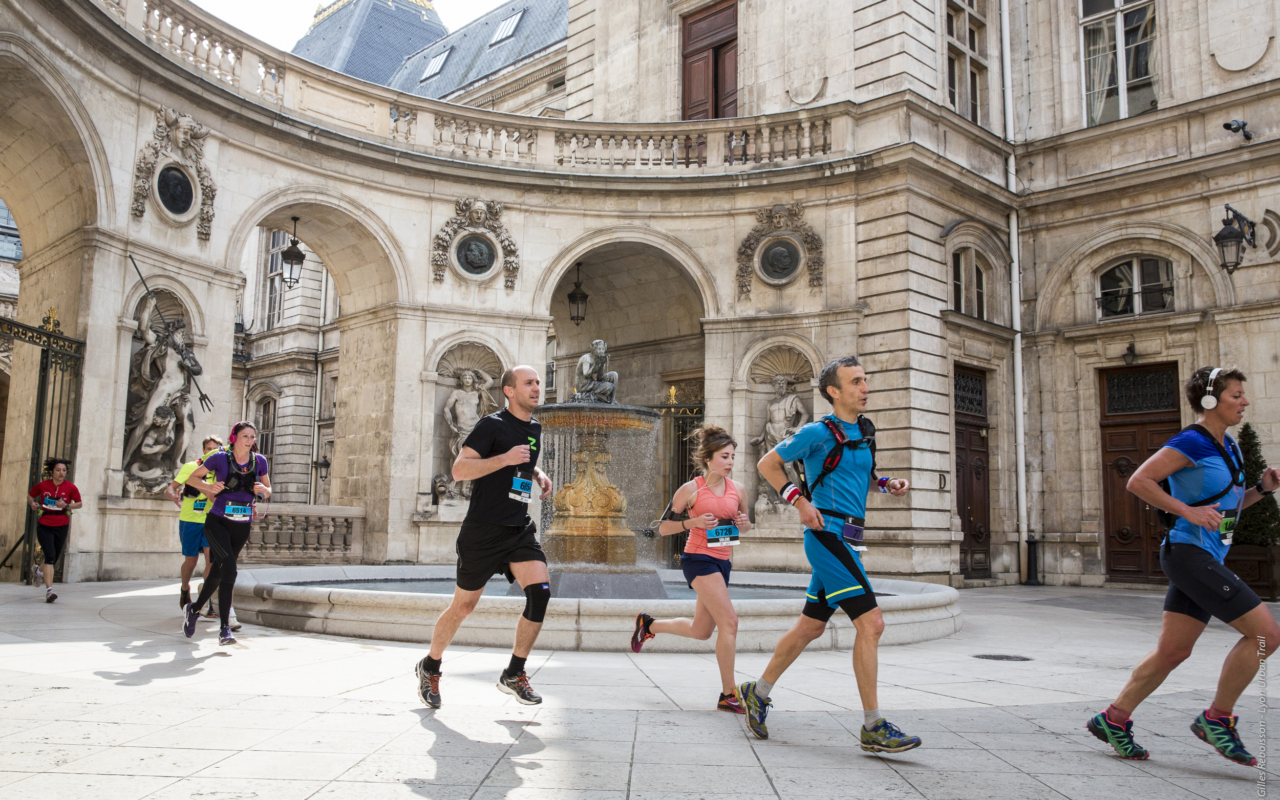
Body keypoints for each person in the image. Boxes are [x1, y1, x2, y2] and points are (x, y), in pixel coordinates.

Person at [1088, 366, 1280, 766]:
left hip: (1204, 556)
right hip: (1188, 554)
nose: (1244, 402)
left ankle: (1113, 718)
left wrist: (1261, 490)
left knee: (1173, 651)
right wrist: (1186, 513)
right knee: (1266, 634)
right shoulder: (1190, 441)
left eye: (1243, 395)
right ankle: (1218, 719)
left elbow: (1225, 508)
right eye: (1236, 395)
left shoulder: (1229, 445)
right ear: (1210, 400)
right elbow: (1139, 481)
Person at [738, 355, 919, 753]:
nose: (865, 387)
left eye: (865, 380)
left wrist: (888, 484)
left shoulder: (865, 430)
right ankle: (873, 725)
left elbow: (863, 475)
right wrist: (799, 502)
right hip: (826, 536)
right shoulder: (816, 431)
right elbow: (768, 463)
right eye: (856, 382)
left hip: (851, 538)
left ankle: (757, 691)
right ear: (833, 392)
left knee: (811, 627)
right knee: (872, 624)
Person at [415, 365, 554, 709]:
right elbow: (460, 470)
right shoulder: (490, 424)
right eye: (529, 383)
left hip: (518, 528)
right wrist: (504, 458)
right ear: (509, 391)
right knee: (463, 606)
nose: (537, 388)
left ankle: (514, 673)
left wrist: (536, 472)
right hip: (483, 530)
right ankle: (430, 665)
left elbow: (520, 460)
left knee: (541, 594)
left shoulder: (534, 426)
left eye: (538, 382)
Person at [631, 424, 751, 713]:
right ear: (708, 458)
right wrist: (693, 523)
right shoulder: (691, 489)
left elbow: (744, 524)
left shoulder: (739, 490)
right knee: (730, 623)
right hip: (698, 559)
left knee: (701, 631)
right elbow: (662, 529)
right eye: (724, 456)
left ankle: (649, 625)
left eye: (733, 456)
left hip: (723, 561)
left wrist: (745, 525)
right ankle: (728, 694)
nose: (730, 462)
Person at [180, 421, 271, 646]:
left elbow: (268, 490)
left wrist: (263, 490)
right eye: (245, 436)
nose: (250, 441)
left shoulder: (259, 461)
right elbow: (192, 478)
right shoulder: (219, 458)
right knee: (229, 569)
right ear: (234, 438)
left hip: (242, 523)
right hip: (217, 521)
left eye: (252, 437)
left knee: (219, 572)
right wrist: (209, 488)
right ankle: (224, 629)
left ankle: (194, 609)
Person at [166, 435, 237, 630]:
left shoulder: (222, 470)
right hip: (189, 520)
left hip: (211, 520)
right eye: (208, 448)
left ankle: (206, 602)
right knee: (190, 561)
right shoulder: (191, 467)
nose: (211, 452)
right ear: (203, 450)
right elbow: (170, 488)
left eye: (215, 448)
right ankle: (184, 588)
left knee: (211, 562)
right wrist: (173, 496)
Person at [27, 457, 82, 603]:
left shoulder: (71, 487)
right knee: (50, 556)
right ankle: (49, 591)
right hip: (45, 524)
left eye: (64, 470)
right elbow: (30, 496)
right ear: (52, 472)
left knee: (54, 557)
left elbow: (79, 503)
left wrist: (67, 505)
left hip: (62, 525)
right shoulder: (43, 485)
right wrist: (32, 503)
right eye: (58, 470)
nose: (61, 473)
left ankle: (38, 571)